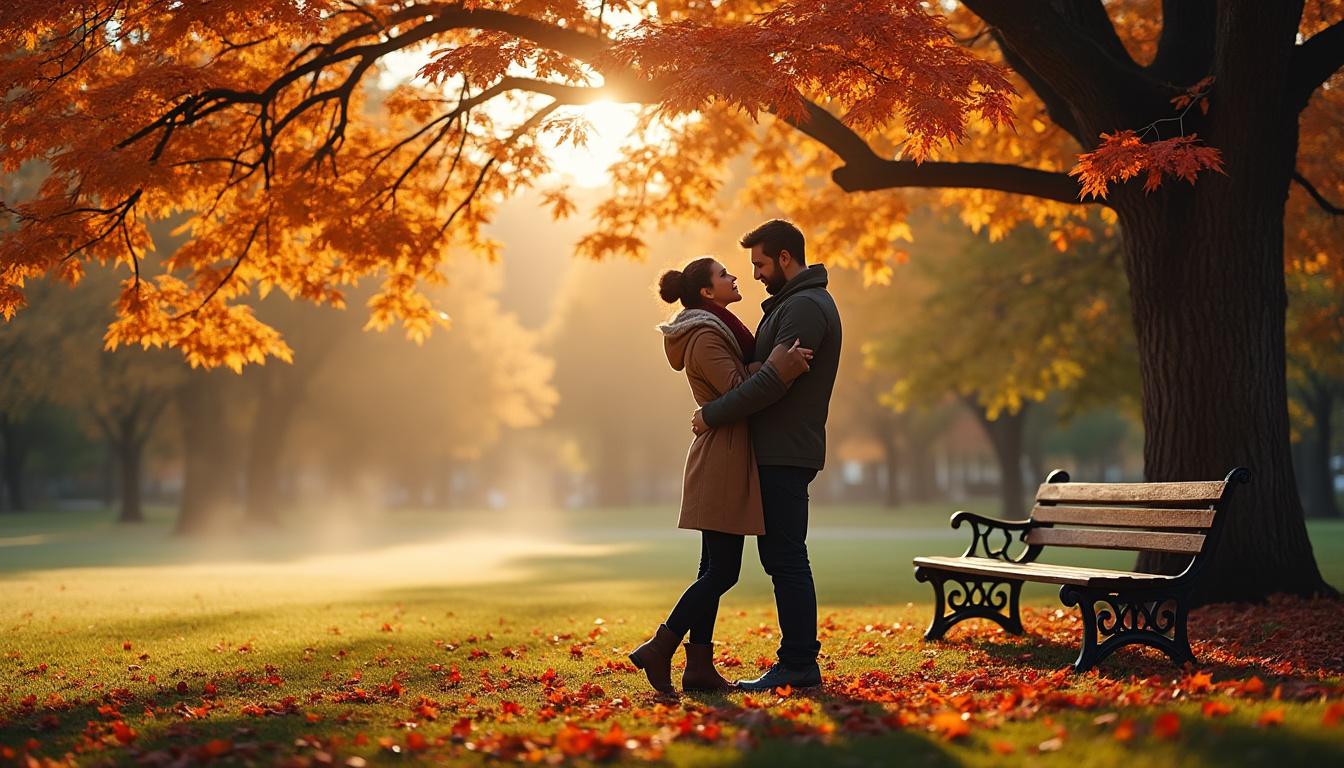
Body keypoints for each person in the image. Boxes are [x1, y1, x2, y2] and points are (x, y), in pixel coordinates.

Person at [627, 256, 813, 695]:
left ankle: (698, 667)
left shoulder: (716, 327)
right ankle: (661, 646)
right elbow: (734, 390)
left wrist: (768, 367)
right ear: (707, 292)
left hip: (728, 452)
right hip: (722, 457)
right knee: (722, 571)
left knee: (714, 566)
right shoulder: (706, 335)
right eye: (724, 274)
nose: (734, 277)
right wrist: (778, 368)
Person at [690, 219, 842, 691]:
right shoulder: (790, 305)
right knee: (769, 558)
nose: (753, 273)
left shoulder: (805, 308)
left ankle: (798, 662)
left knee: (785, 558)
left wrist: (711, 413)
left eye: (758, 263)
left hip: (785, 450)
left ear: (783, 258)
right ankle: (708, 661)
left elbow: (768, 387)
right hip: (772, 449)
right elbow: (764, 372)